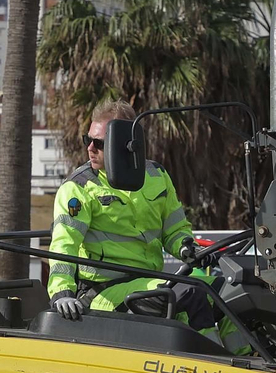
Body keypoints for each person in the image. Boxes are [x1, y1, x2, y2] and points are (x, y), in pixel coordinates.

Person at [47, 102, 219, 334]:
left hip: (150, 280)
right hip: (105, 292)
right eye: (87, 140)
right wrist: (61, 293)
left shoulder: (156, 176)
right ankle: (219, 367)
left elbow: (175, 230)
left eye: (99, 143)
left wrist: (188, 248)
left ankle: (250, 359)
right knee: (190, 294)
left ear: (127, 144)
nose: (90, 148)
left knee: (223, 292)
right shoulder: (78, 187)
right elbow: (64, 245)